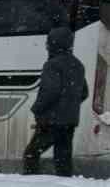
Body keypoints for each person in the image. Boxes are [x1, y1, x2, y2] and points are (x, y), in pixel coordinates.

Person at [23, 25, 88, 177]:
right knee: (63, 159)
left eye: (48, 42)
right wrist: (69, 104)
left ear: (54, 43)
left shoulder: (52, 65)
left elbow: (50, 91)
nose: (46, 45)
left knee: (31, 154)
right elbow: (84, 92)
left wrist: (37, 108)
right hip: (69, 121)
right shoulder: (78, 64)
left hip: (52, 121)